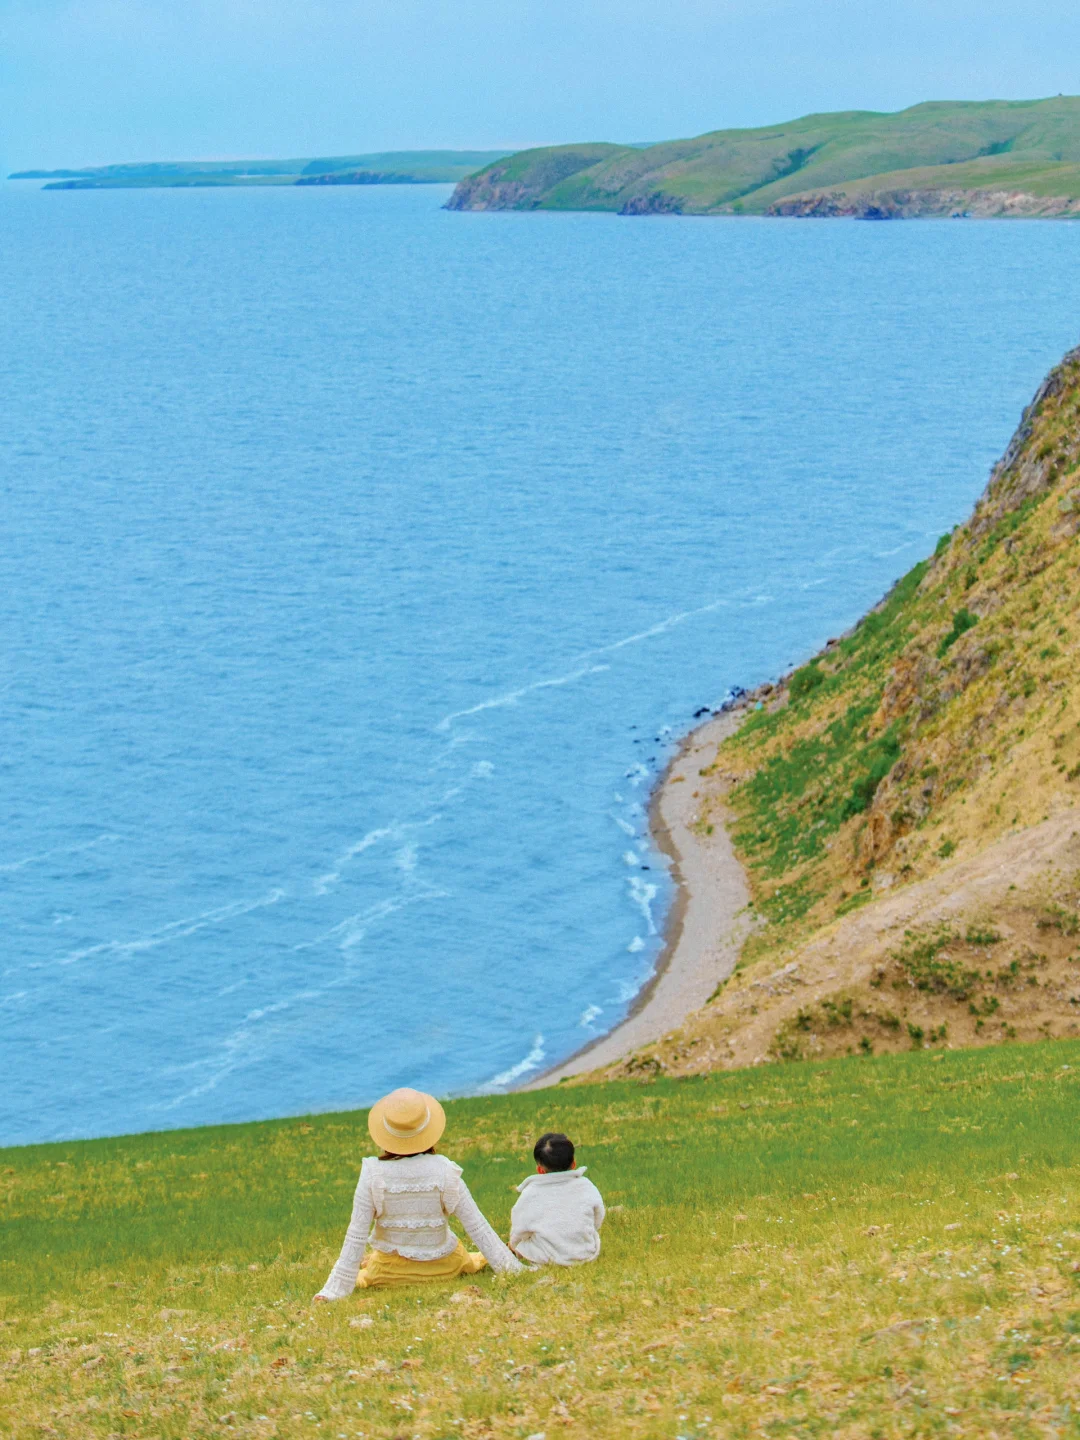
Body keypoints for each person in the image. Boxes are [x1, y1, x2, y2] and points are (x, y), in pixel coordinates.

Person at [314, 1087, 524, 1297]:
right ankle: (494, 1255)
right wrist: (509, 1267)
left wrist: (334, 1290)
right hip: (445, 1269)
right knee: (467, 1258)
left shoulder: (373, 1173)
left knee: (368, 1271)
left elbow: (356, 1235)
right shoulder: (445, 1170)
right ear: (428, 1131)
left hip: (389, 1274)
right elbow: (477, 1226)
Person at [508, 1131, 605, 1266]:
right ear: (573, 1164)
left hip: (546, 1256)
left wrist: (514, 1244)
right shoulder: (586, 1186)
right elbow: (598, 1217)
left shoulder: (531, 1193)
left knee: (524, 1245)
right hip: (585, 1253)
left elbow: (520, 1230)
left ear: (540, 1170)